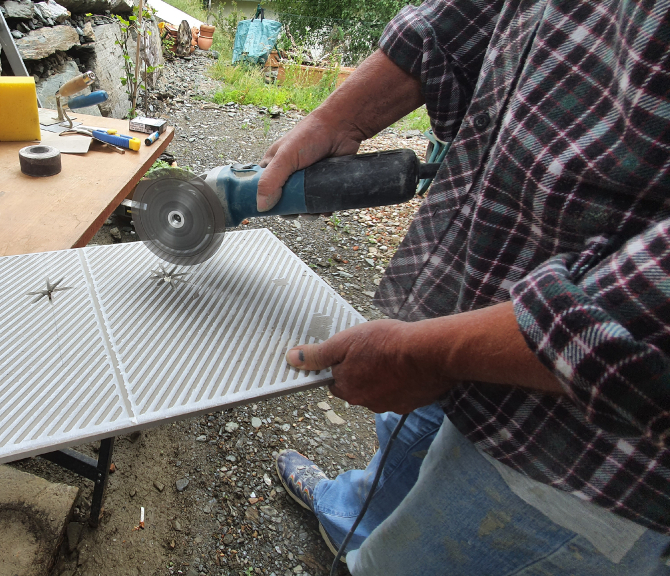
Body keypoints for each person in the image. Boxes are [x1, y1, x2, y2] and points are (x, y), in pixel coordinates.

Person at [258, 1, 670, 573]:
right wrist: (337, 120)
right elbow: (467, 15)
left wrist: (422, 353)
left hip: (582, 441)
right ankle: (345, 512)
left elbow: (650, 308)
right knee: (405, 436)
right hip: (471, 291)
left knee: (413, 560)